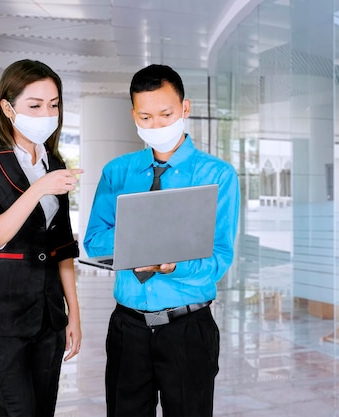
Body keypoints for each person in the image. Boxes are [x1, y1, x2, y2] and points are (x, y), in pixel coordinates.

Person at [84, 64, 240, 416]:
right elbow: (94, 241)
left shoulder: (217, 176)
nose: (156, 125)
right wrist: (141, 239)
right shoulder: (117, 172)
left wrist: (173, 264)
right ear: (134, 115)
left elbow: (218, 259)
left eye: (166, 114)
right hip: (127, 329)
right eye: (146, 116)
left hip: (188, 330)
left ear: (185, 108)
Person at [0, 59, 83, 417]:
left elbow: (62, 247)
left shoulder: (53, 164)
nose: (47, 113)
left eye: (54, 104)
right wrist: (40, 188)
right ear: (8, 108)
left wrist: (74, 313)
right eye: (35, 105)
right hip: (1, 320)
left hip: (48, 319)